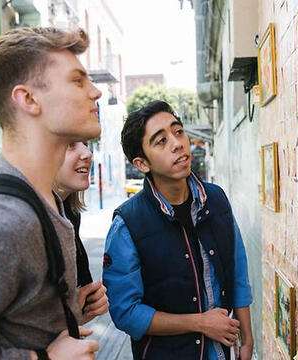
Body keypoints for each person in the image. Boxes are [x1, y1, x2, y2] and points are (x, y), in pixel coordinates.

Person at [103, 100, 254, 360]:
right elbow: (125, 312)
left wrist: (248, 338)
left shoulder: (216, 199)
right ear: (142, 163)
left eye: (178, 131)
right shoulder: (128, 223)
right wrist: (199, 322)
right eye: (161, 141)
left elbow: (237, 268)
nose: (177, 143)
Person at [0, 27, 103, 359]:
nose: (94, 92)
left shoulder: (48, 201)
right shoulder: (5, 221)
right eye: (77, 81)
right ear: (29, 99)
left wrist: (61, 313)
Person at [55, 141, 109, 324]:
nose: (87, 153)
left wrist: (82, 312)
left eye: (86, 144)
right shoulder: (12, 218)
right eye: (70, 143)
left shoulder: (71, 214)